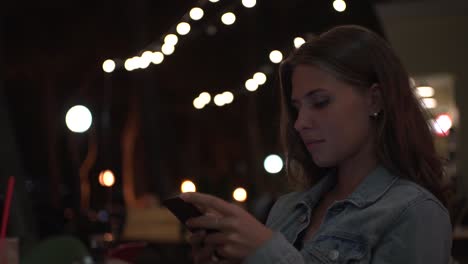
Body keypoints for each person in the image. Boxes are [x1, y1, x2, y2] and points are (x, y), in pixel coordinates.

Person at [180, 25, 454, 263]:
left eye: (320, 102)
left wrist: (267, 252)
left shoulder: (414, 212)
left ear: (374, 100)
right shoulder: (287, 209)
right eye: (297, 108)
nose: (300, 123)